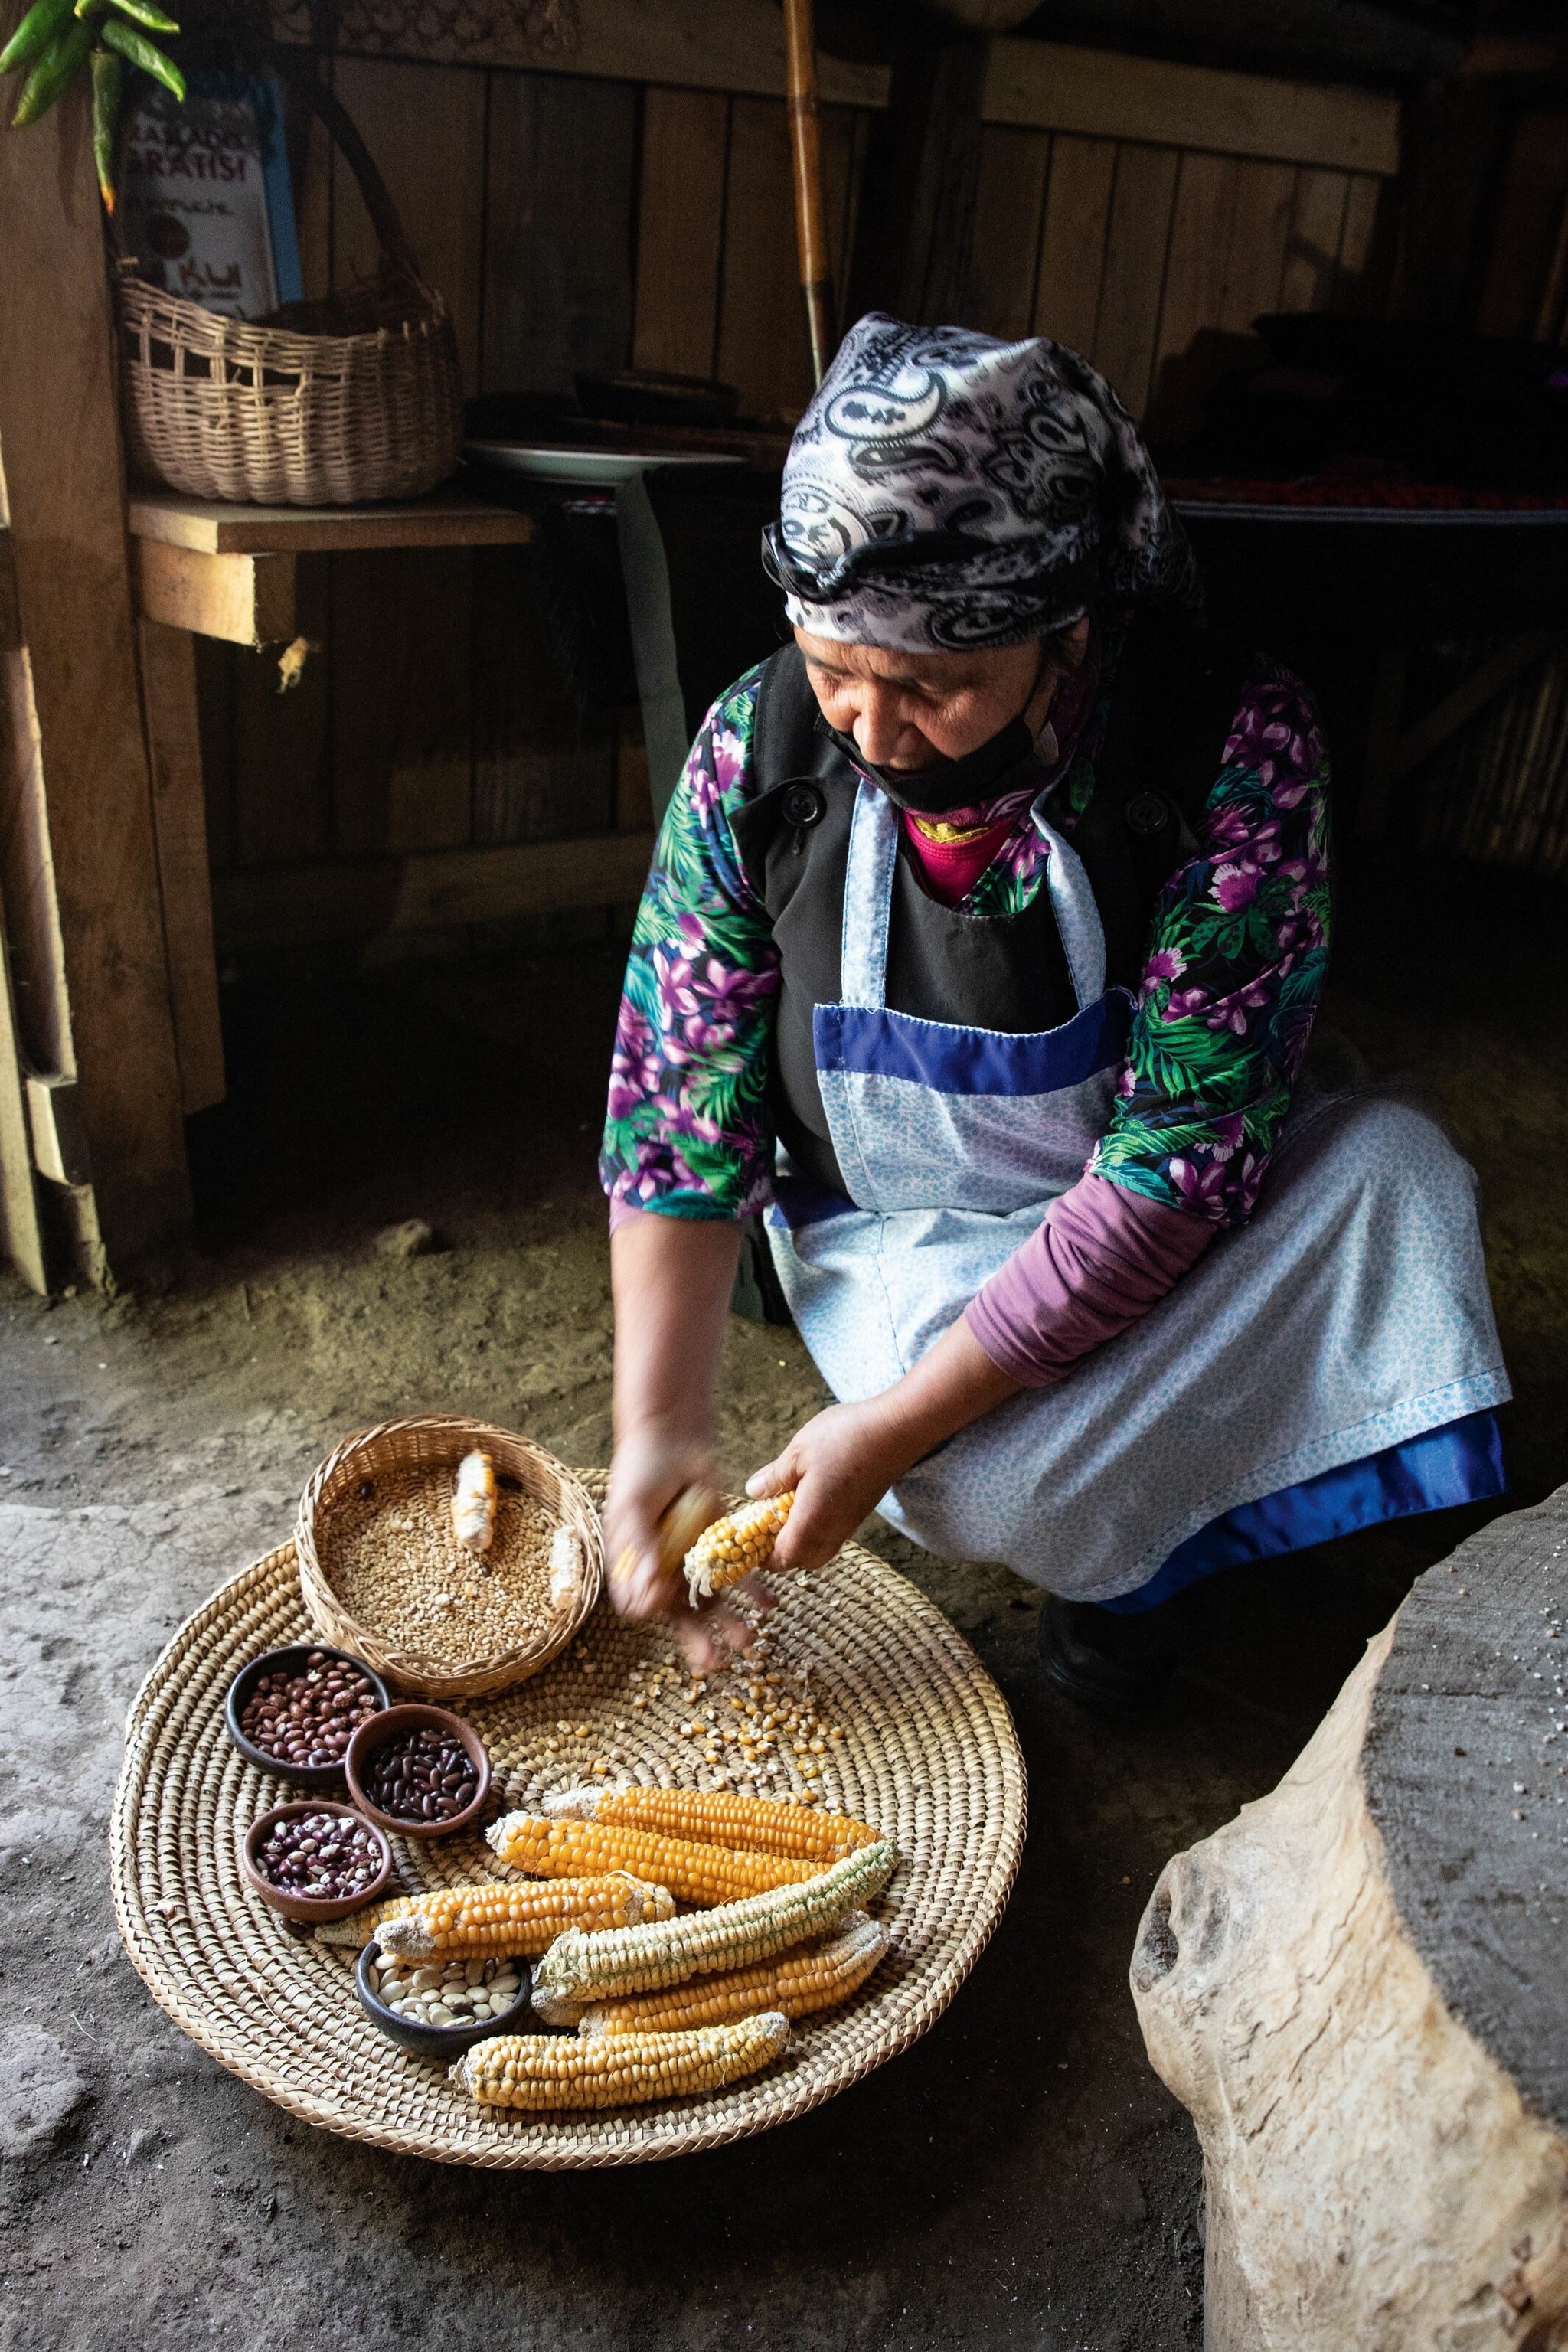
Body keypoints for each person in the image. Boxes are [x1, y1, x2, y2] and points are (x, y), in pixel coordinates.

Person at [597, 315, 1510, 1714]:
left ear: (1068, 629)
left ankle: (1173, 1547)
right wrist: (659, 1430)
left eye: (935, 685)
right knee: (972, 1468)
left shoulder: (1226, 751)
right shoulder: (760, 754)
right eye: (834, 667)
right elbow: (682, 1100)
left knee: (1404, 1188)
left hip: (1167, 1214)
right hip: (916, 1244)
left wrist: (888, 1430)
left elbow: (1176, 1167)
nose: (873, 732)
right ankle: (1137, 1549)